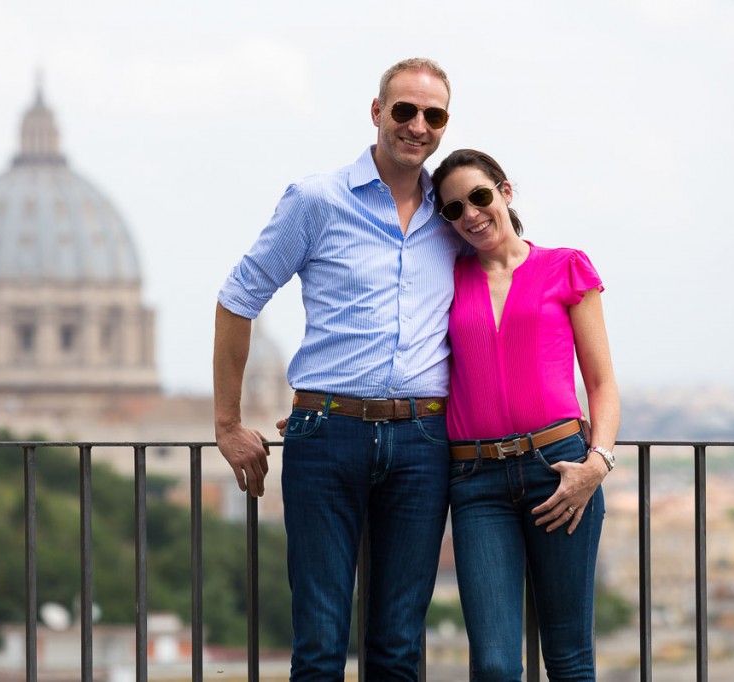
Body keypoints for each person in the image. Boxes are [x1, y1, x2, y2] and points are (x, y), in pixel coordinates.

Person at [214, 57, 461, 680]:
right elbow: (238, 297)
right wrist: (227, 423)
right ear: (377, 113)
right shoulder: (316, 200)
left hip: (423, 439)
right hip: (327, 434)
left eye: (433, 115)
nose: (417, 125)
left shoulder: (455, 215)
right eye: (404, 110)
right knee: (321, 643)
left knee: (400, 646)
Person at [431, 148, 620, 682]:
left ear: (505, 192)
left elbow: (602, 384)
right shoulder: (447, 276)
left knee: (568, 659)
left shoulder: (564, 266)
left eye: (479, 197)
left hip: (560, 473)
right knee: (493, 665)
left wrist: (596, 464)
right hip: (476, 483)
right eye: (452, 210)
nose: (469, 214)